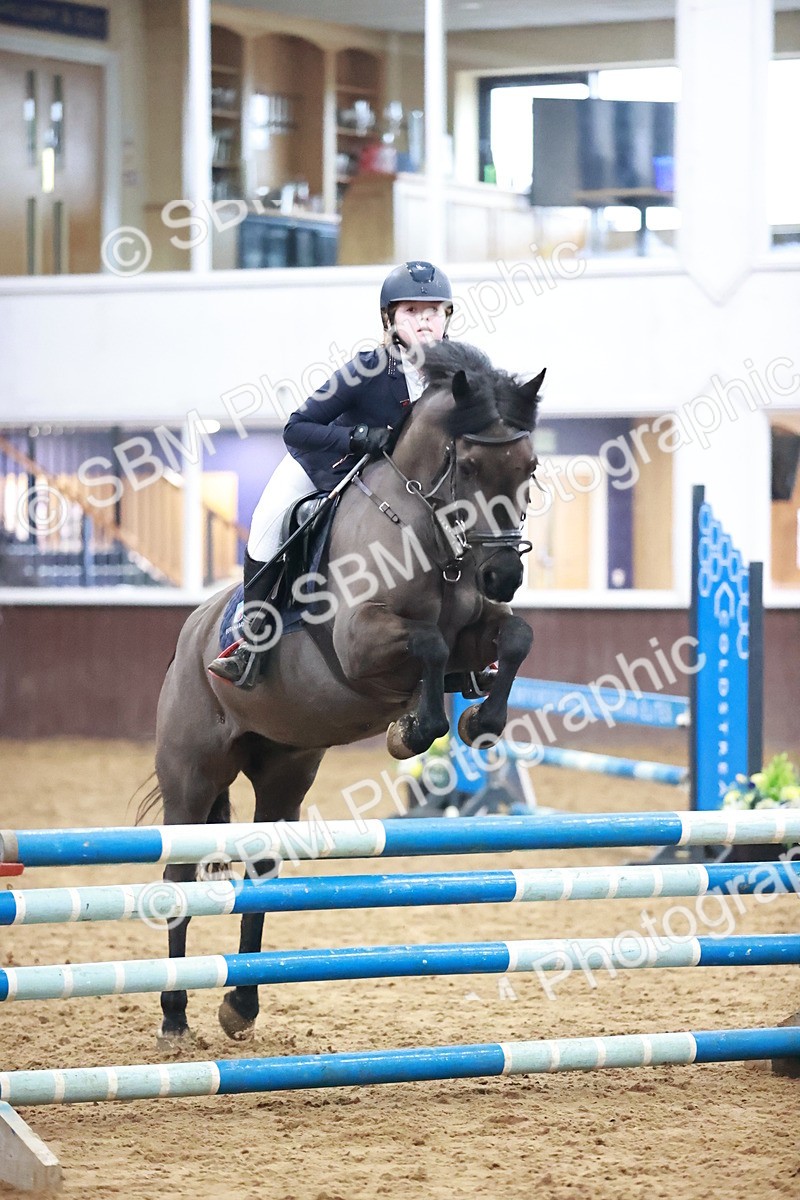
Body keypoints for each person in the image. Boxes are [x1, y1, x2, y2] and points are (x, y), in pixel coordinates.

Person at [208, 260, 453, 688]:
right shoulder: (368, 368)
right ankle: (251, 640)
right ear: (390, 319)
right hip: (329, 467)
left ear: (447, 317)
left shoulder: (458, 377)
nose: (424, 322)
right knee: (270, 523)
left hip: (408, 492)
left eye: (432, 311)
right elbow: (297, 427)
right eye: (411, 312)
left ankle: (473, 647)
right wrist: (358, 436)